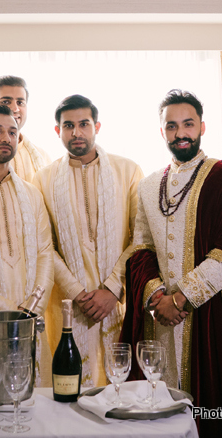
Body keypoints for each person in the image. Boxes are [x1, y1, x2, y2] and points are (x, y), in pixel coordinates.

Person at [121, 89, 222, 437]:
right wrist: (157, 297)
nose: (180, 132)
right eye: (171, 126)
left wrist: (181, 298)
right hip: (158, 320)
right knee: (159, 412)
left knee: (213, 414)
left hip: (209, 316)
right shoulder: (146, 186)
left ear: (202, 126)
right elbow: (141, 248)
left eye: (187, 124)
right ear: (162, 132)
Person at [33, 94, 143, 386]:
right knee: (72, 390)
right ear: (58, 131)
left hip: (116, 301)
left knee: (120, 389)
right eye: (68, 125)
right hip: (69, 303)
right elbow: (44, 245)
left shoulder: (128, 171)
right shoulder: (42, 179)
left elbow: (140, 237)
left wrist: (112, 288)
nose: (76, 132)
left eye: (84, 124)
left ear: (97, 126)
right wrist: (76, 291)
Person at [0, 105, 56, 385]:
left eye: (12, 132)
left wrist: (31, 311)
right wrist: (3, 312)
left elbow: (45, 253)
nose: (5, 137)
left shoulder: (31, 193)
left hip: (30, 319)